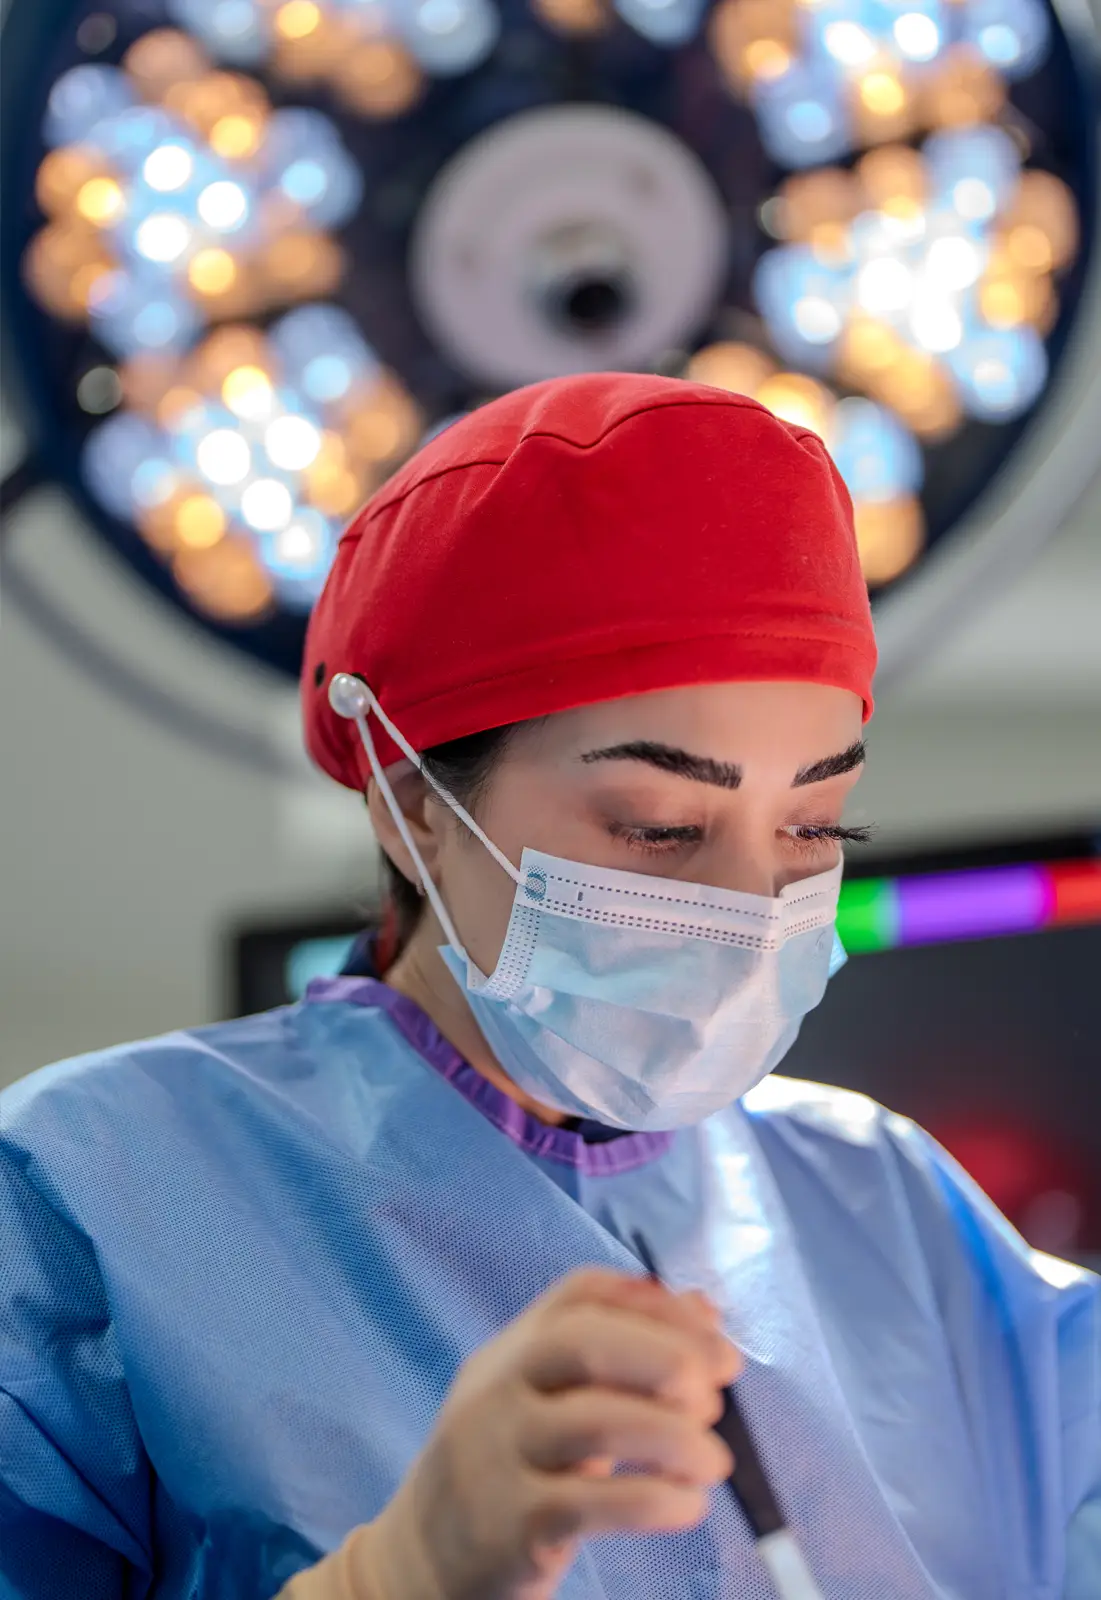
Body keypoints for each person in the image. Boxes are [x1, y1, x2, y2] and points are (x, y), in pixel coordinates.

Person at [1, 373, 1097, 1600]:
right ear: (414, 796)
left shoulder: (883, 1201)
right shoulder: (97, 1195)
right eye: (659, 827)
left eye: (814, 824)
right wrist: (397, 1578)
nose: (749, 910)